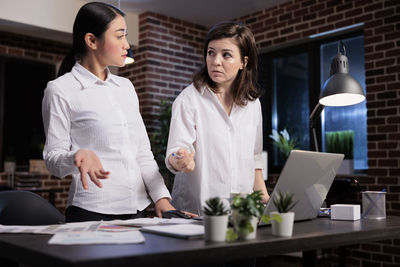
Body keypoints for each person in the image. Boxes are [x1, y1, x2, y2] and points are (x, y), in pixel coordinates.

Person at [42, 2, 178, 222]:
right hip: (91, 212)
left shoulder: (126, 87)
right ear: (92, 40)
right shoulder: (60, 89)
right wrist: (76, 156)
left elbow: (142, 153)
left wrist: (161, 197)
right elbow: (53, 159)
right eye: (119, 36)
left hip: (138, 211)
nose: (127, 44)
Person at [166, 21, 270, 215]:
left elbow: (254, 158)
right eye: (211, 52)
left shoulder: (252, 104)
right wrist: (179, 159)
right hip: (197, 211)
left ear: (243, 62)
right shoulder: (188, 99)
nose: (215, 61)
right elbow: (175, 152)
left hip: (242, 210)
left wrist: (264, 198)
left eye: (226, 55)